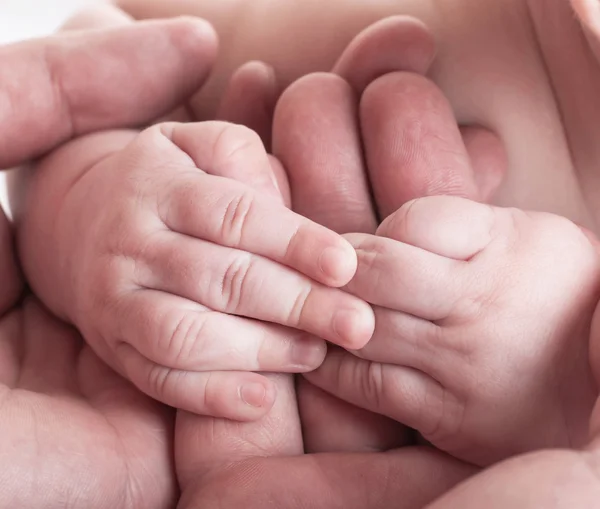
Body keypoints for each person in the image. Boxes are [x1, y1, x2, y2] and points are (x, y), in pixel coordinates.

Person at [12, 4, 600, 509]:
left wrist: (569, 389)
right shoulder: (478, 28)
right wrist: (87, 206)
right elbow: (95, 45)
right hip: (154, 412)